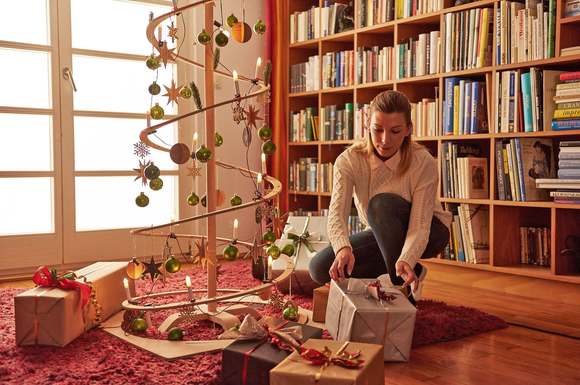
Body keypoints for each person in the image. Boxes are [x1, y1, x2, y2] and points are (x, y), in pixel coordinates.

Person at [308, 90, 452, 304]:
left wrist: (407, 257)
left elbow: (419, 225)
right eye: (377, 130)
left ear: (408, 130)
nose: (385, 140)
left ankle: (401, 290)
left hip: (431, 230)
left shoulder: (423, 162)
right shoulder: (349, 161)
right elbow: (337, 215)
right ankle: (412, 271)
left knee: (380, 204)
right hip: (382, 234)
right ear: (367, 126)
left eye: (395, 131)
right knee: (320, 268)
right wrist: (343, 247)